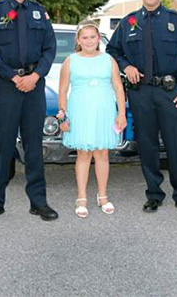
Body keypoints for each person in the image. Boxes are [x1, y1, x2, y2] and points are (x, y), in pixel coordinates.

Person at [106, 0, 177, 216]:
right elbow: (113, 51)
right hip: (141, 93)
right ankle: (154, 194)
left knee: (176, 145)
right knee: (147, 145)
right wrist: (126, 66)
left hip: (172, 93)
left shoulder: (176, 21)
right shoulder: (128, 23)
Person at [0, 0, 58, 222]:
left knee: (34, 145)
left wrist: (35, 75)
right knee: (2, 145)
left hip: (34, 86)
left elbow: (49, 49)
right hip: (7, 86)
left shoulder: (40, 13)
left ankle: (39, 201)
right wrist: (13, 76)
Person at [57, 20, 127, 218]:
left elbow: (118, 87)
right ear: (78, 40)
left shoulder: (108, 60)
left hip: (103, 110)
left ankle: (102, 195)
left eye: (93, 37)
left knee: (102, 153)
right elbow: (62, 89)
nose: (89, 41)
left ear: (99, 38)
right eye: (84, 37)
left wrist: (121, 113)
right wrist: (63, 113)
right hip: (80, 110)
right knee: (83, 153)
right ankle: (81, 197)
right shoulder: (70, 60)